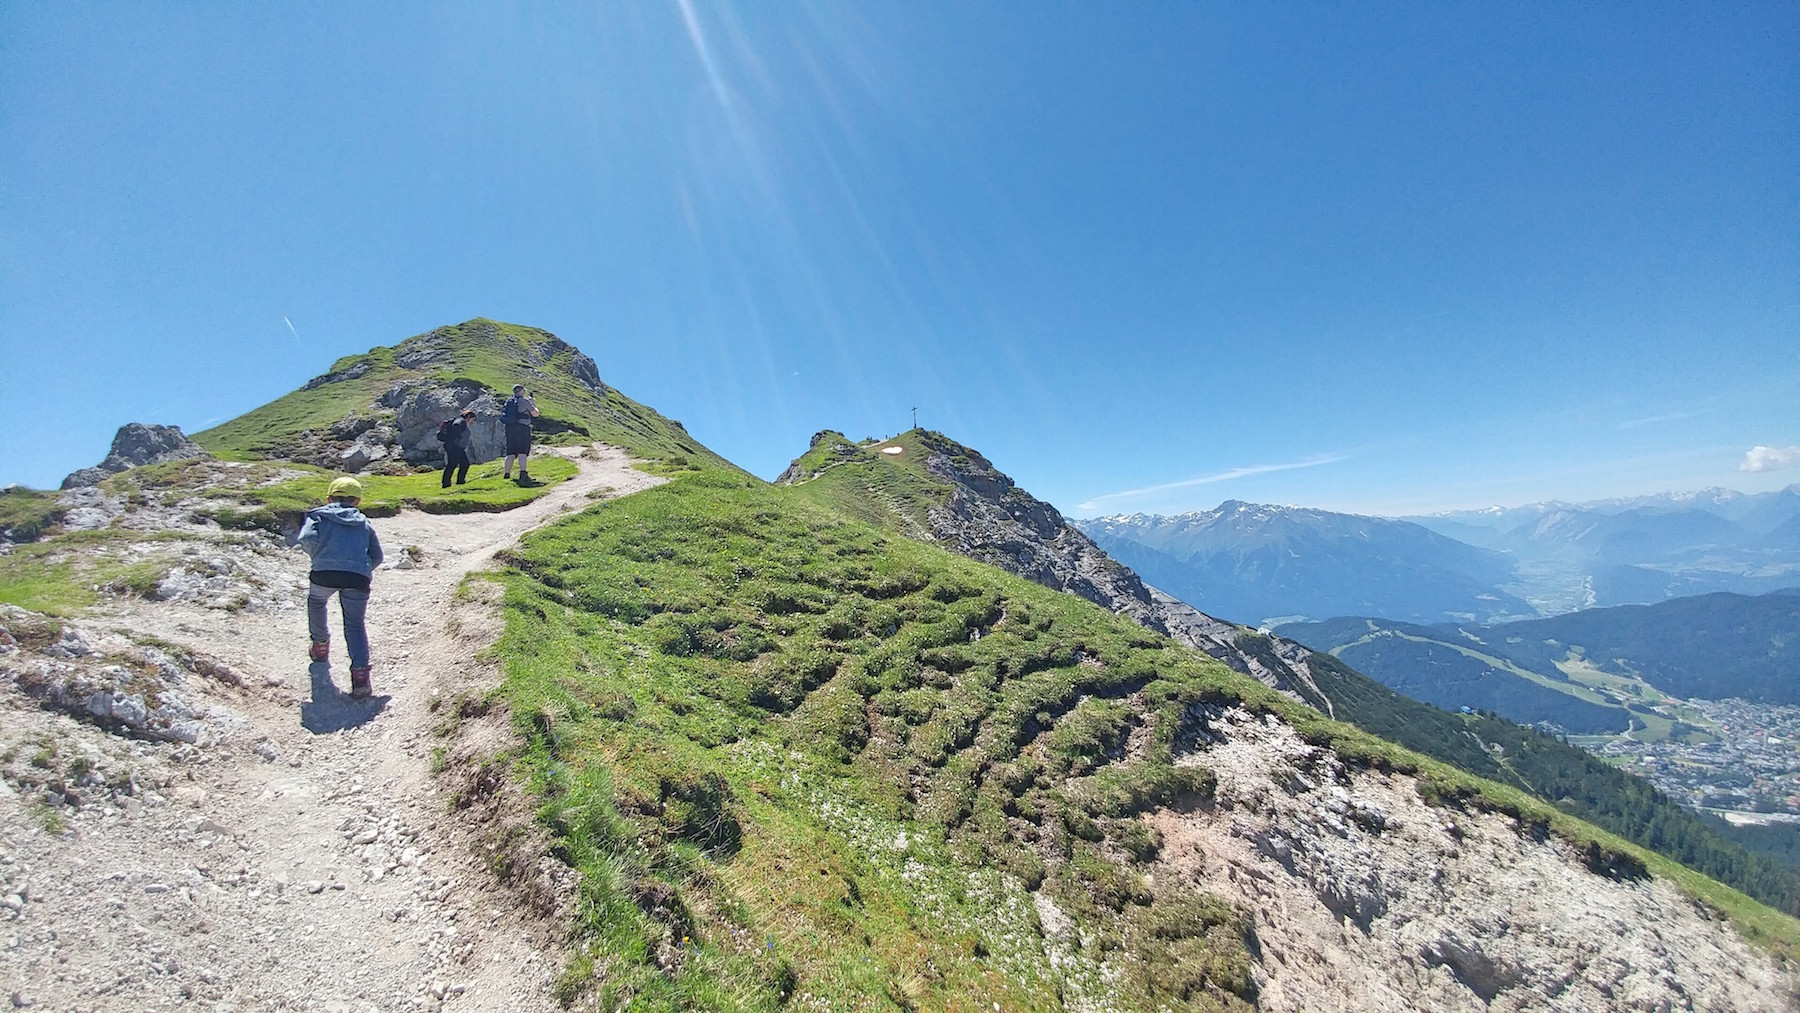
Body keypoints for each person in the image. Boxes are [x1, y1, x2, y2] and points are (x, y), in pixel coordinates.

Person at [299, 476, 384, 698]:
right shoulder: (364, 523)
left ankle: (320, 646)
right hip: (357, 578)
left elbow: (306, 539)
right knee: (355, 625)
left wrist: (320, 557)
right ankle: (360, 678)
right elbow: (378, 556)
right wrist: (362, 568)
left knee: (317, 602)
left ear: (328, 498)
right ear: (357, 501)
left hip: (323, 573)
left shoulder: (318, 516)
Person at [500, 383, 538, 482]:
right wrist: (533, 403)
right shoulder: (524, 401)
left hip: (510, 428)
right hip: (522, 428)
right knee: (522, 451)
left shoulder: (509, 401)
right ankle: (523, 473)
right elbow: (535, 414)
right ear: (521, 391)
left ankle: (507, 474)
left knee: (511, 452)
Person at [438, 407, 476, 487]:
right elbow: (456, 426)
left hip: (454, 446)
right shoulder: (461, 422)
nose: (472, 422)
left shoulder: (459, 420)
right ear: (468, 417)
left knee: (461, 464)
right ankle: (448, 483)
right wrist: (458, 438)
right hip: (455, 447)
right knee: (454, 464)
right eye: (472, 419)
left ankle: (456, 481)